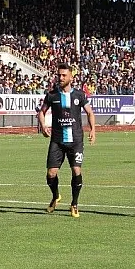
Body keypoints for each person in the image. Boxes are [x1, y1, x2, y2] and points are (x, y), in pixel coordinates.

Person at [37, 63, 96, 218]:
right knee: (51, 173)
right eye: (59, 75)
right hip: (57, 140)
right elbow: (41, 113)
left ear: (71, 77)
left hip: (75, 140)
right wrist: (43, 127)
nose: (60, 78)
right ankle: (56, 196)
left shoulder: (79, 95)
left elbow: (90, 112)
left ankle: (74, 204)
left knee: (76, 170)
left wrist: (93, 130)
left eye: (64, 75)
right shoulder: (52, 95)